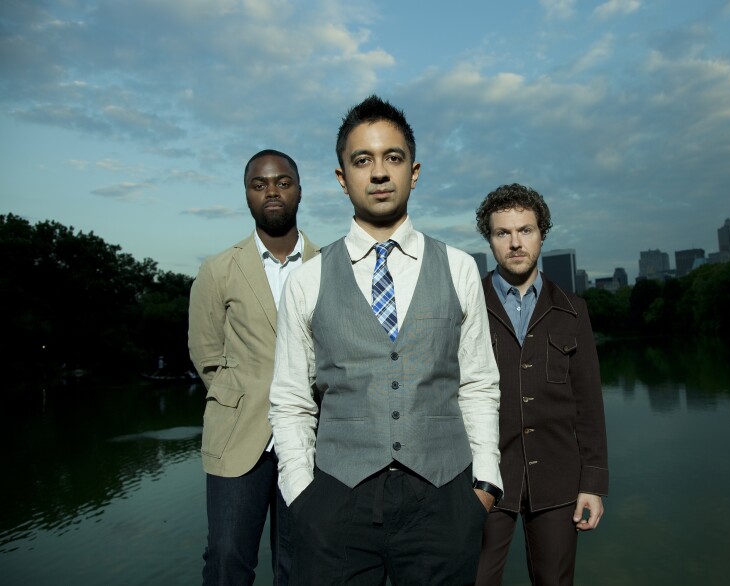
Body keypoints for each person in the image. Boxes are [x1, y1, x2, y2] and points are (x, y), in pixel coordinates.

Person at [269, 95, 503, 585]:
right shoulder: (307, 280)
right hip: (336, 504)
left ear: (413, 172)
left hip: (445, 500)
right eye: (362, 160)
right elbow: (291, 400)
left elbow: (479, 384)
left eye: (392, 158)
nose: (379, 173)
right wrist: (302, 494)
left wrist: (484, 484)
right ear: (342, 178)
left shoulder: (460, 268)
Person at [188, 149, 320, 586]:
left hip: (308, 440)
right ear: (247, 195)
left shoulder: (331, 266)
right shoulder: (218, 269)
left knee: (298, 564)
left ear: (299, 190)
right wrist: (245, 394)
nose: (272, 192)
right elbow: (206, 355)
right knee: (227, 560)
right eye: (259, 184)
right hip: (238, 438)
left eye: (282, 182)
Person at [473, 184, 609, 586]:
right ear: (490, 239)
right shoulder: (468, 306)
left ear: (542, 234)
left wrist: (593, 484)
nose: (516, 243)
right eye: (503, 233)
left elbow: (588, 404)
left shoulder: (572, 310)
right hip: (483, 477)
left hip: (558, 478)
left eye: (526, 230)